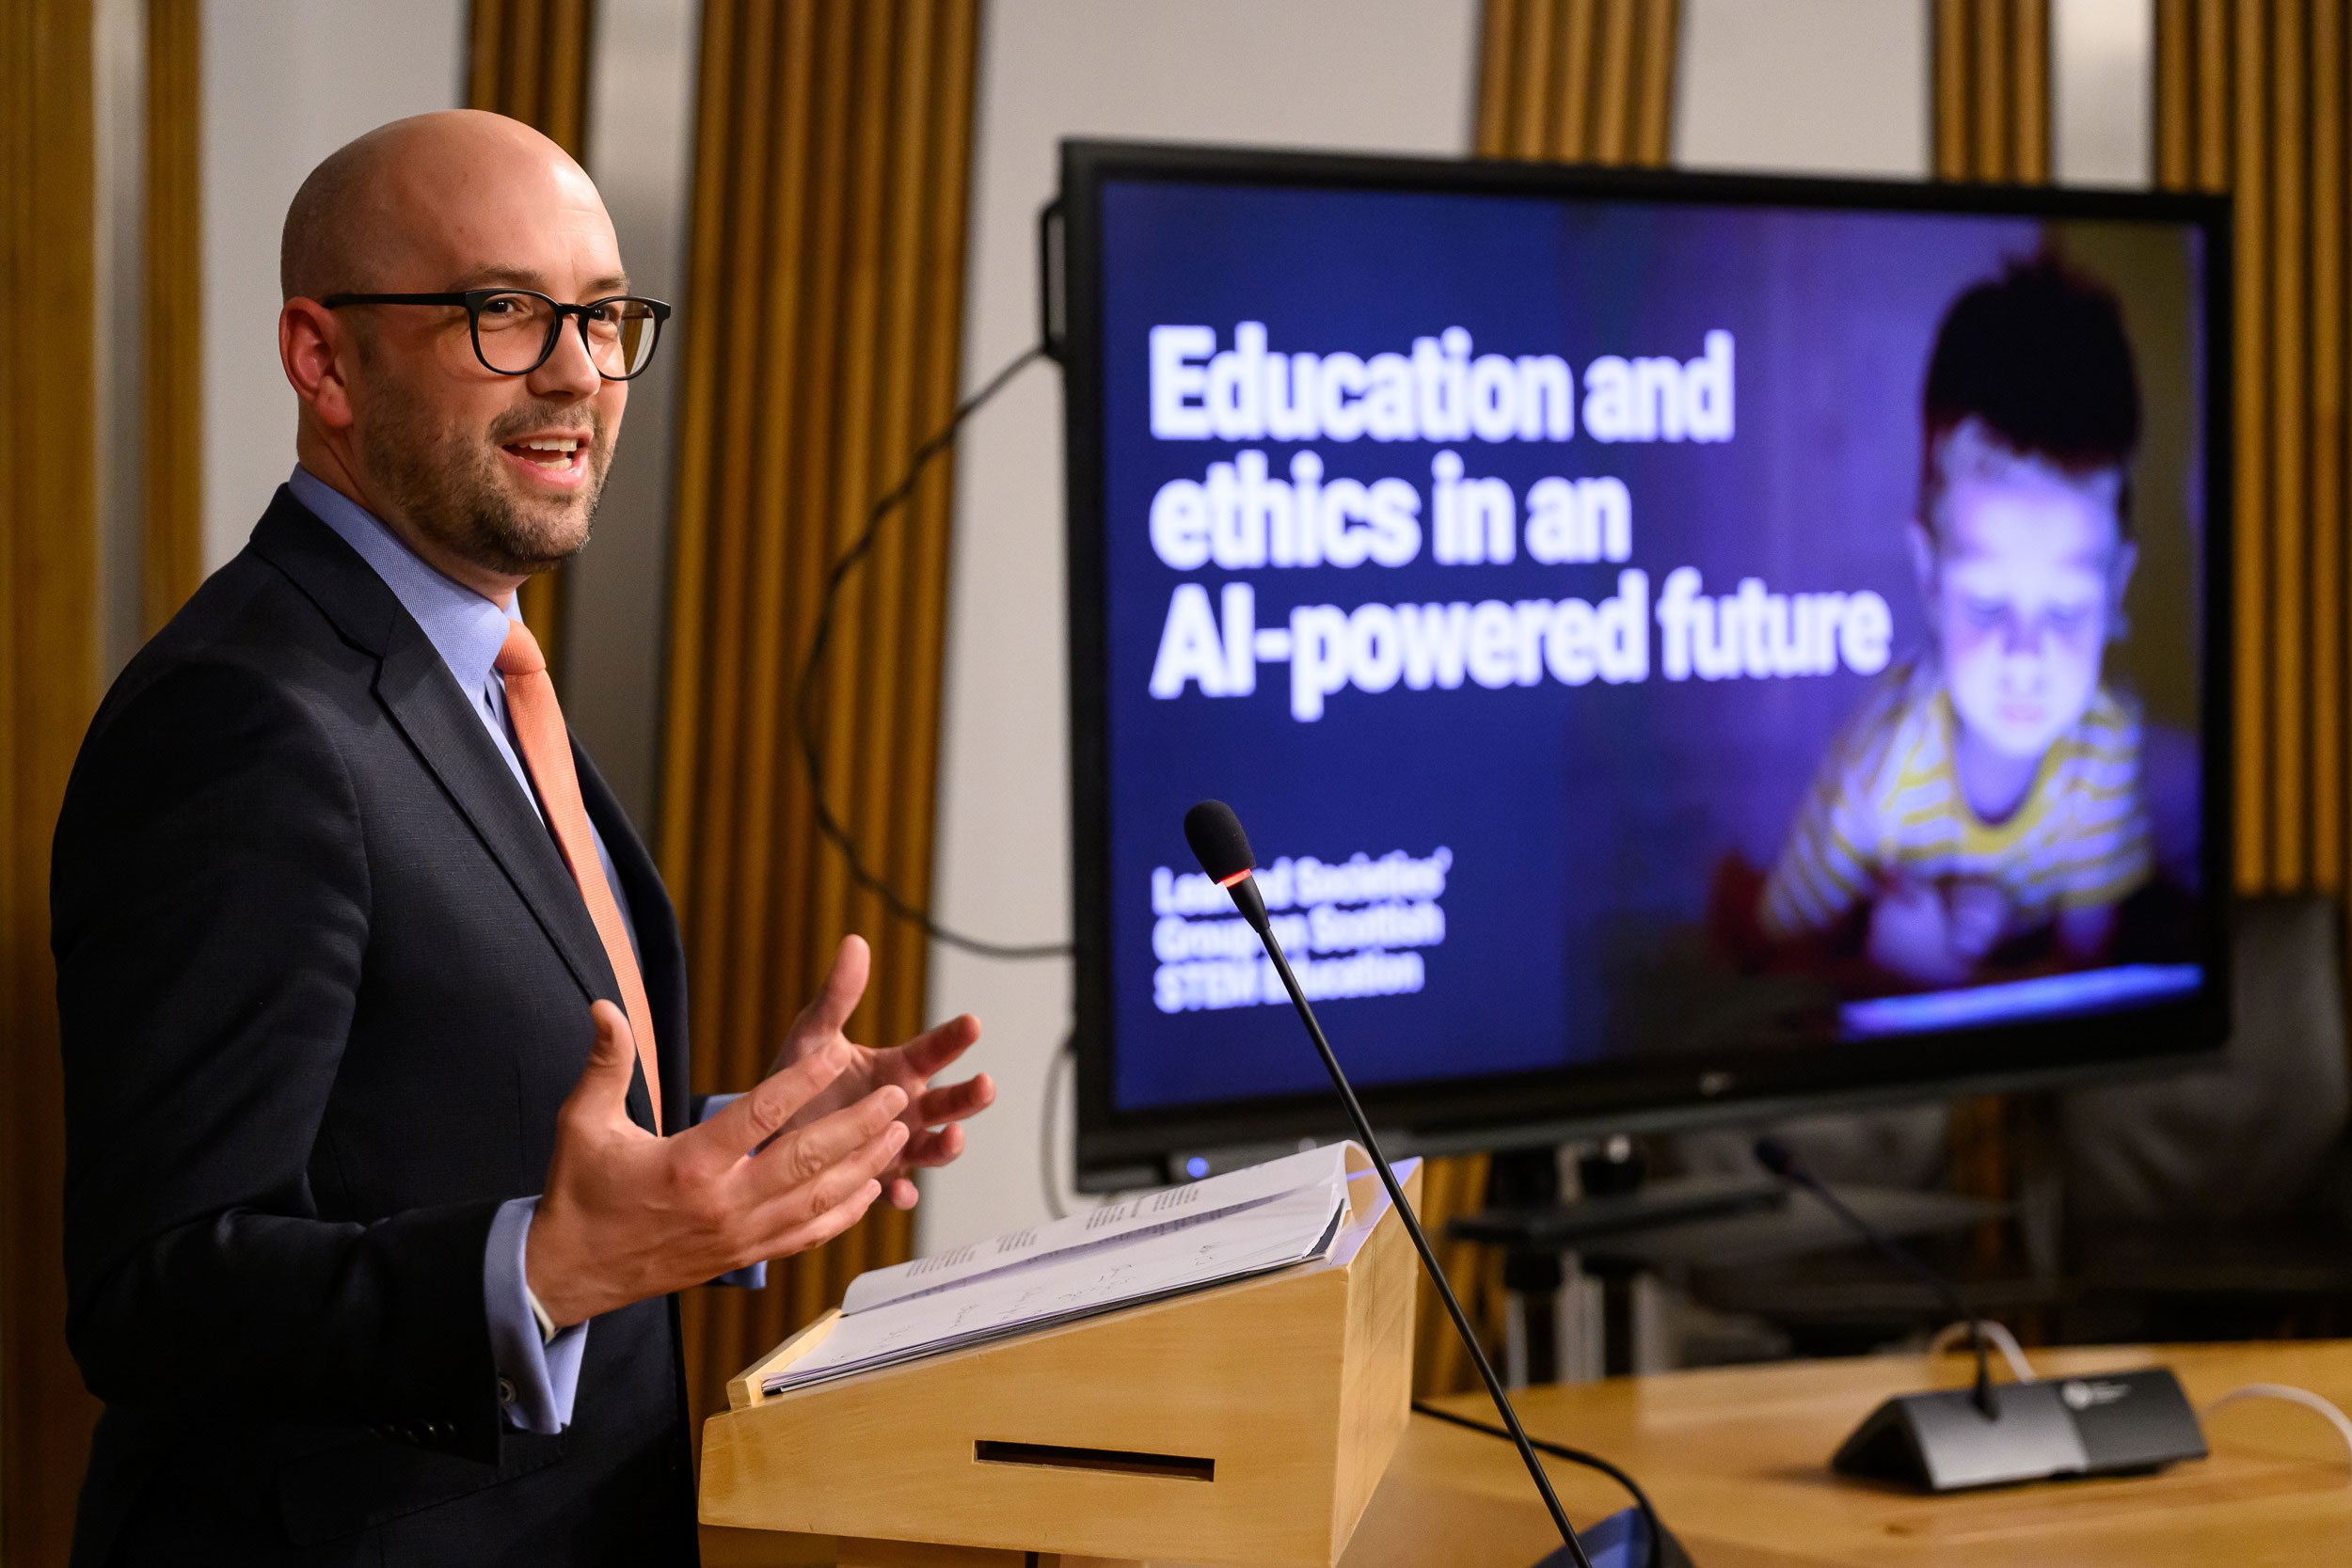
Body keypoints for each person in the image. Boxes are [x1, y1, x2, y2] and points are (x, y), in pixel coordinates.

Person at [51, 109, 994, 1565]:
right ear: (324, 359)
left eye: (604, 315)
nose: (577, 372)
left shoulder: (478, 670)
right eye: (503, 311)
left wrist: (723, 1161)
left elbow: (447, 1130)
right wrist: (541, 1268)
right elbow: (154, 1289)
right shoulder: (239, 719)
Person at [1757, 254, 2153, 988]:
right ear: (1930, 576)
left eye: (2065, 610)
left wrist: (1975, 963)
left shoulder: (2105, 748)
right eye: (1987, 604)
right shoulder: (1875, 769)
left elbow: (2090, 976)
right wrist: (1894, 960)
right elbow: (1781, 959)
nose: (2025, 659)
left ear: (2115, 587)